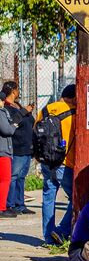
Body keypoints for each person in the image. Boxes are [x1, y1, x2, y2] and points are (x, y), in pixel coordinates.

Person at [38, 84, 77, 242]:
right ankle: (61, 231)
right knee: (76, 198)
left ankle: (48, 237)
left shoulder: (45, 110)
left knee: (48, 197)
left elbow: (36, 132)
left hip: (47, 161)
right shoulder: (73, 113)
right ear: (74, 98)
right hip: (65, 162)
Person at [4, 82, 33, 215]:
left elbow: (28, 120)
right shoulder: (6, 107)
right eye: (17, 89)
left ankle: (20, 204)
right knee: (13, 176)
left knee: (21, 177)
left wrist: (27, 111)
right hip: (17, 146)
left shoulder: (18, 105)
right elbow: (12, 123)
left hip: (27, 146)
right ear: (13, 91)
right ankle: (10, 204)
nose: (18, 92)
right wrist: (23, 112)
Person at [0, 89, 14, 218]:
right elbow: (6, 130)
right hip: (2, 151)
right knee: (5, 180)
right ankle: (1, 207)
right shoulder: (1, 112)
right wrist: (14, 126)